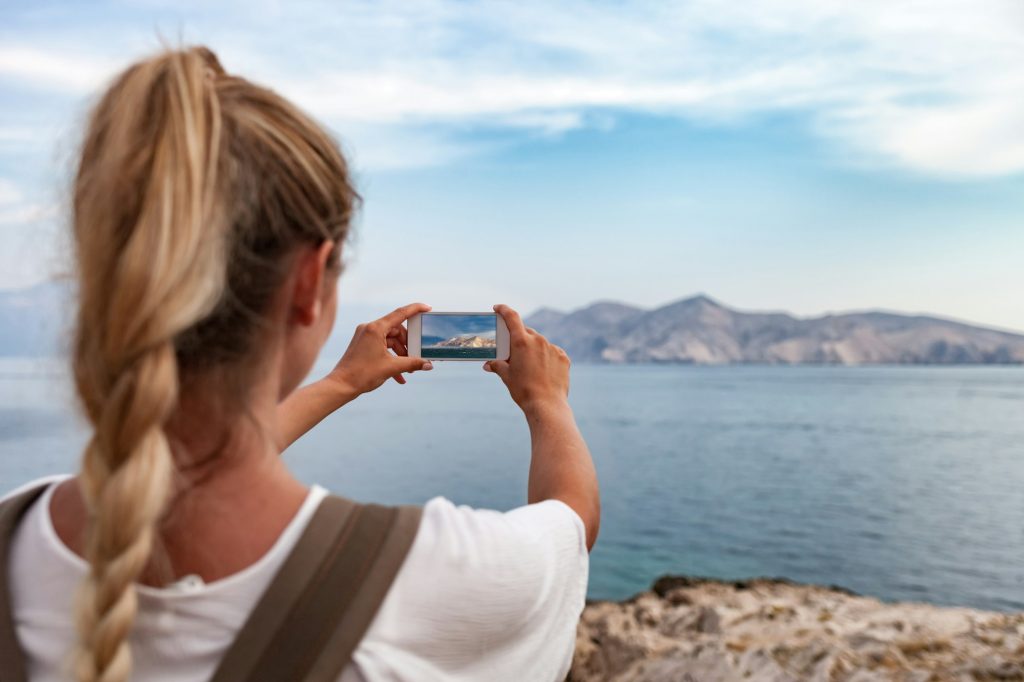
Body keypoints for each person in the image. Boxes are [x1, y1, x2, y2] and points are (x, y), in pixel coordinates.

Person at [1, 47, 599, 682]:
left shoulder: (13, 534)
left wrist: (340, 384)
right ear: (310, 281)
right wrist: (547, 404)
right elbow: (571, 519)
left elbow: (192, 470)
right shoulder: (429, 576)